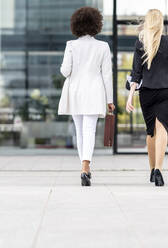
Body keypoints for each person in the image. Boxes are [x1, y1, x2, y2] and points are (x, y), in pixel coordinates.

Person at [58, 7, 115, 186]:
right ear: (96, 24)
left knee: (80, 131)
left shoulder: (71, 45)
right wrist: (110, 100)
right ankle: (85, 166)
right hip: (94, 92)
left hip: (75, 92)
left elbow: (65, 71)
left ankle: (84, 168)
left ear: (76, 24)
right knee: (89, 130)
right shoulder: (103, 46)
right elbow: (107, 75)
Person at [126, 9, 168, 186]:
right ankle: (158, 169)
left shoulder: (140, 43)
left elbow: (136, 73)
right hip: (167, 91)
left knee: (151, 131)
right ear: (160, 22)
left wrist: (130, 96)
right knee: (162, 128)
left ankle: (152, 171)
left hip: (147, 93)